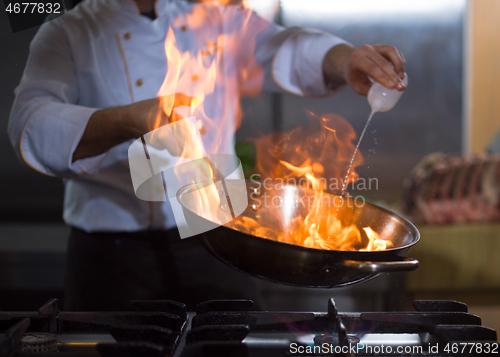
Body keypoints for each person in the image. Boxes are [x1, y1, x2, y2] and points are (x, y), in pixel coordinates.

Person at [8, 0, 405, 311]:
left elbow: (286, 46)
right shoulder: (68, 30)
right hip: (111, 253)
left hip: (220, 239)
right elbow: (31, 122)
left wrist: (346, 59)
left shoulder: (211, 17)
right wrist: (128, 121)